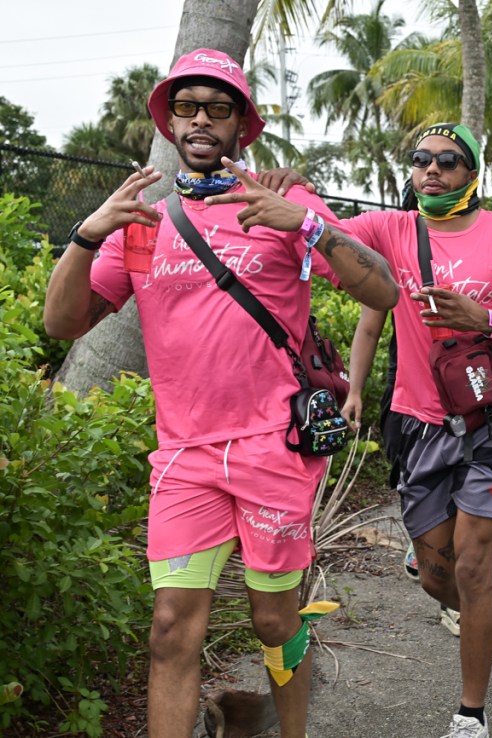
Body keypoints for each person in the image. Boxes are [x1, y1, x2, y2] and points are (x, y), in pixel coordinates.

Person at [43, 49, 398, 738]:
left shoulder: (284, 201)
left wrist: (308, 225)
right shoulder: (144, 223)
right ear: (168, 121)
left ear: (243, 125)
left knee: (274, 620)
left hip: (274, 450)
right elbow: (62, 323)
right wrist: (89, 234)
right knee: (172, 627)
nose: (201, 118)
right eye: (186, 106)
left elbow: (382, 290)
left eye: (218, 107)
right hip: (185, 460)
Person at [337, 123, 492, 738]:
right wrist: (275, 189)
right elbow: (318, 232)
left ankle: (470, 713)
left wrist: (486, 318)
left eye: (449, 161)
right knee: (437, 579)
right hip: (419, 425)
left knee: (471, 569)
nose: (432, 169)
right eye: (421, 160)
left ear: (471, 173)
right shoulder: (390, 231)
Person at [341, 180, 462, 637]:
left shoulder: (474, 252)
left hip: (466, 391)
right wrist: (355, 391)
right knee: (409, 475)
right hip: (406, 389)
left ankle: (457, 590)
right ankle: (430, 549)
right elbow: (369, 329)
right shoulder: (392, 259)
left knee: (465, 486)